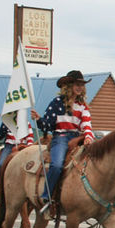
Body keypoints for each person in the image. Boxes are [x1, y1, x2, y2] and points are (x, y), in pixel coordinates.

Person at [30, 70, 94, 212]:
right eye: (77, 84)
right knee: (57, 165)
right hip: (61, 138)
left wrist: (89, 137)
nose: (80, 87)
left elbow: (87, 125)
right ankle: (47, 195)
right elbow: (48, 124)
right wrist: (39, 119)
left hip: (78, 138)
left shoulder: (83, 106)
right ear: (68, 85)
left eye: (81, 85)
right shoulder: (57, 103)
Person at [0, 119, 34, 196]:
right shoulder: (7, 121)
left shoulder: (26, 122)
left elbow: (30, 137)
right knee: (1, 164)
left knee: (31, 165)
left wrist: (29, 146)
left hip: (23, 145)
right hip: (9, 145)